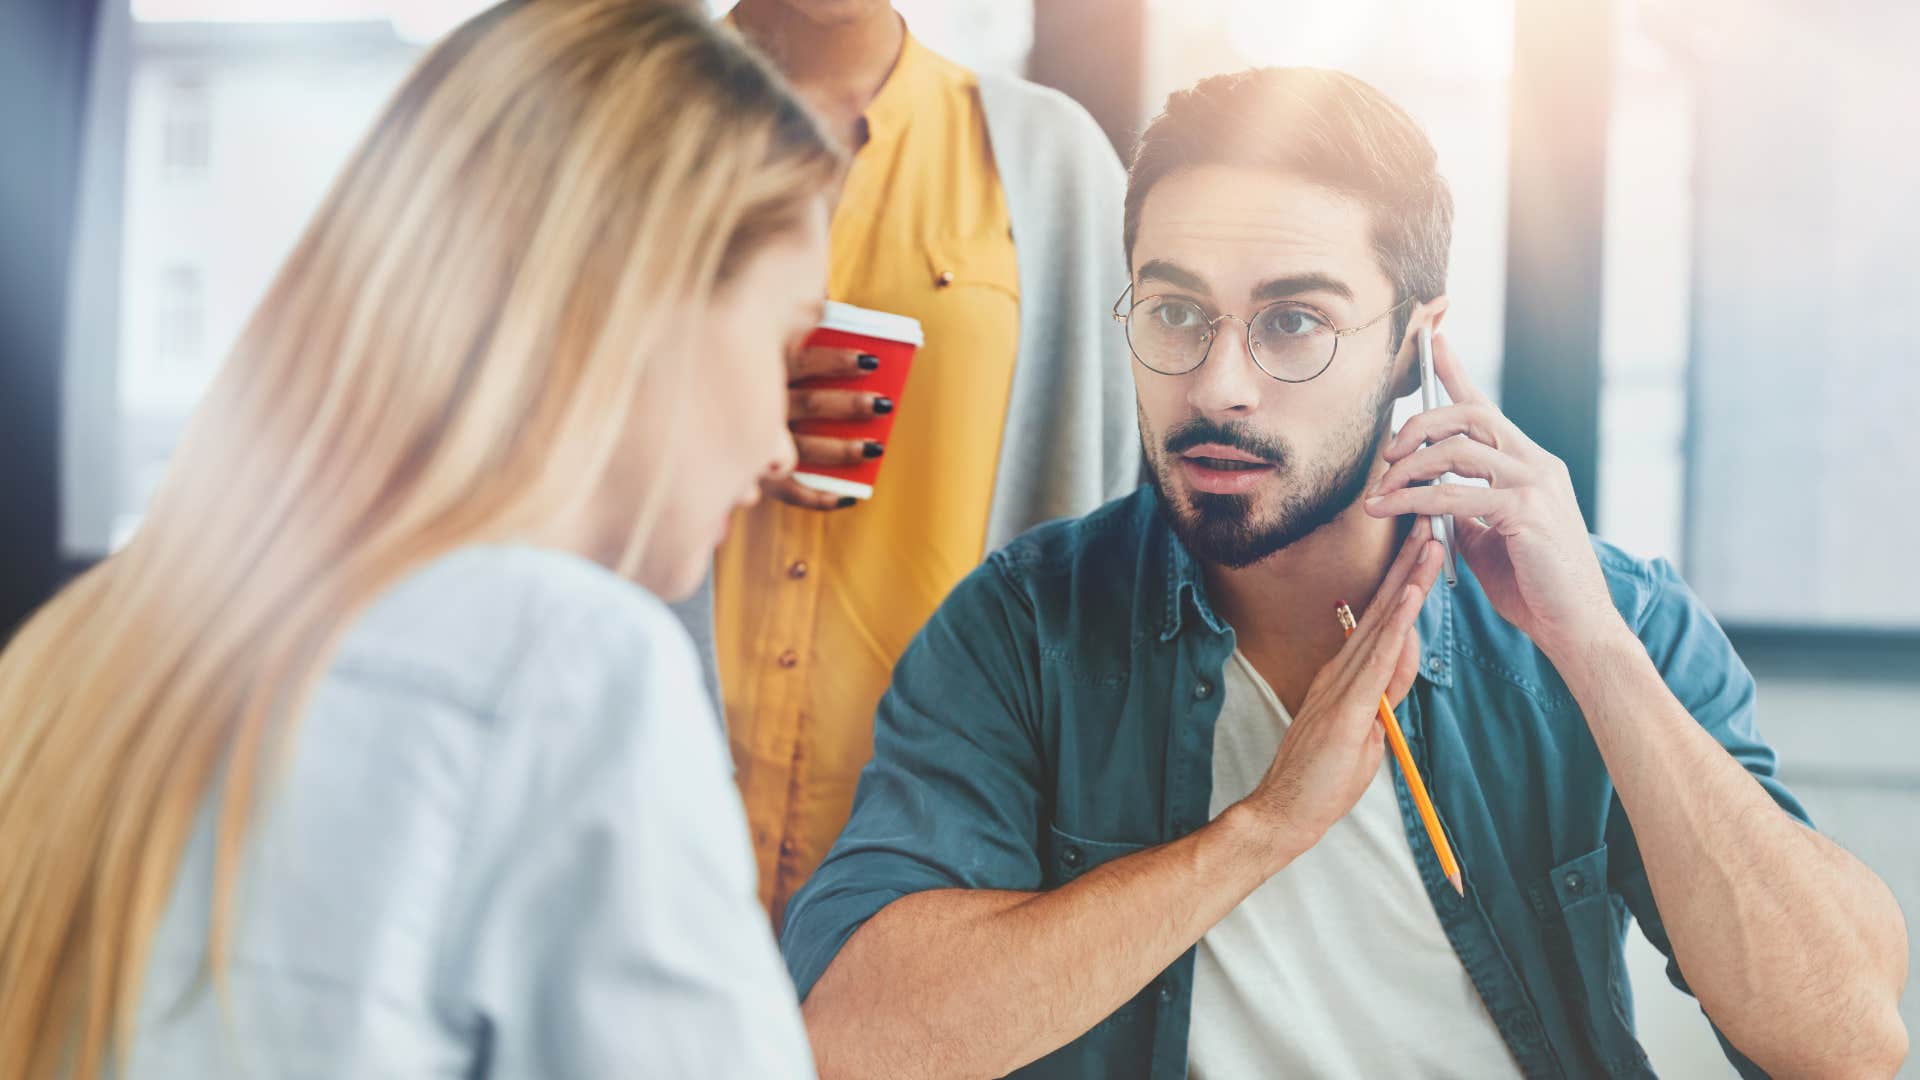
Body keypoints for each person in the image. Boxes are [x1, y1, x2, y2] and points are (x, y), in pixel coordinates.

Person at [780, 68, 1910, 1079]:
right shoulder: (1026, 628)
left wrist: (1599, 657)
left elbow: (1849, 1040)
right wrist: (1262, 829)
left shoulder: (1613, 620)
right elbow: (855, 1043)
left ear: (1415, 341)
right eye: (1175, 312)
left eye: (1294, 323)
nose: (1219, 384)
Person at [0, 3, 841, 1076]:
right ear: (646, 294)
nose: (780, 444)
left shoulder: (84, 652)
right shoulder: (565, 669)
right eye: (785, 342)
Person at [692, 0, 1138, 927]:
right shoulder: (609, 131)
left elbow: (1124, 515)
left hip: (933, 849)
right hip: (652, 806)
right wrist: (708, 402)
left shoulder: (1052, 162)